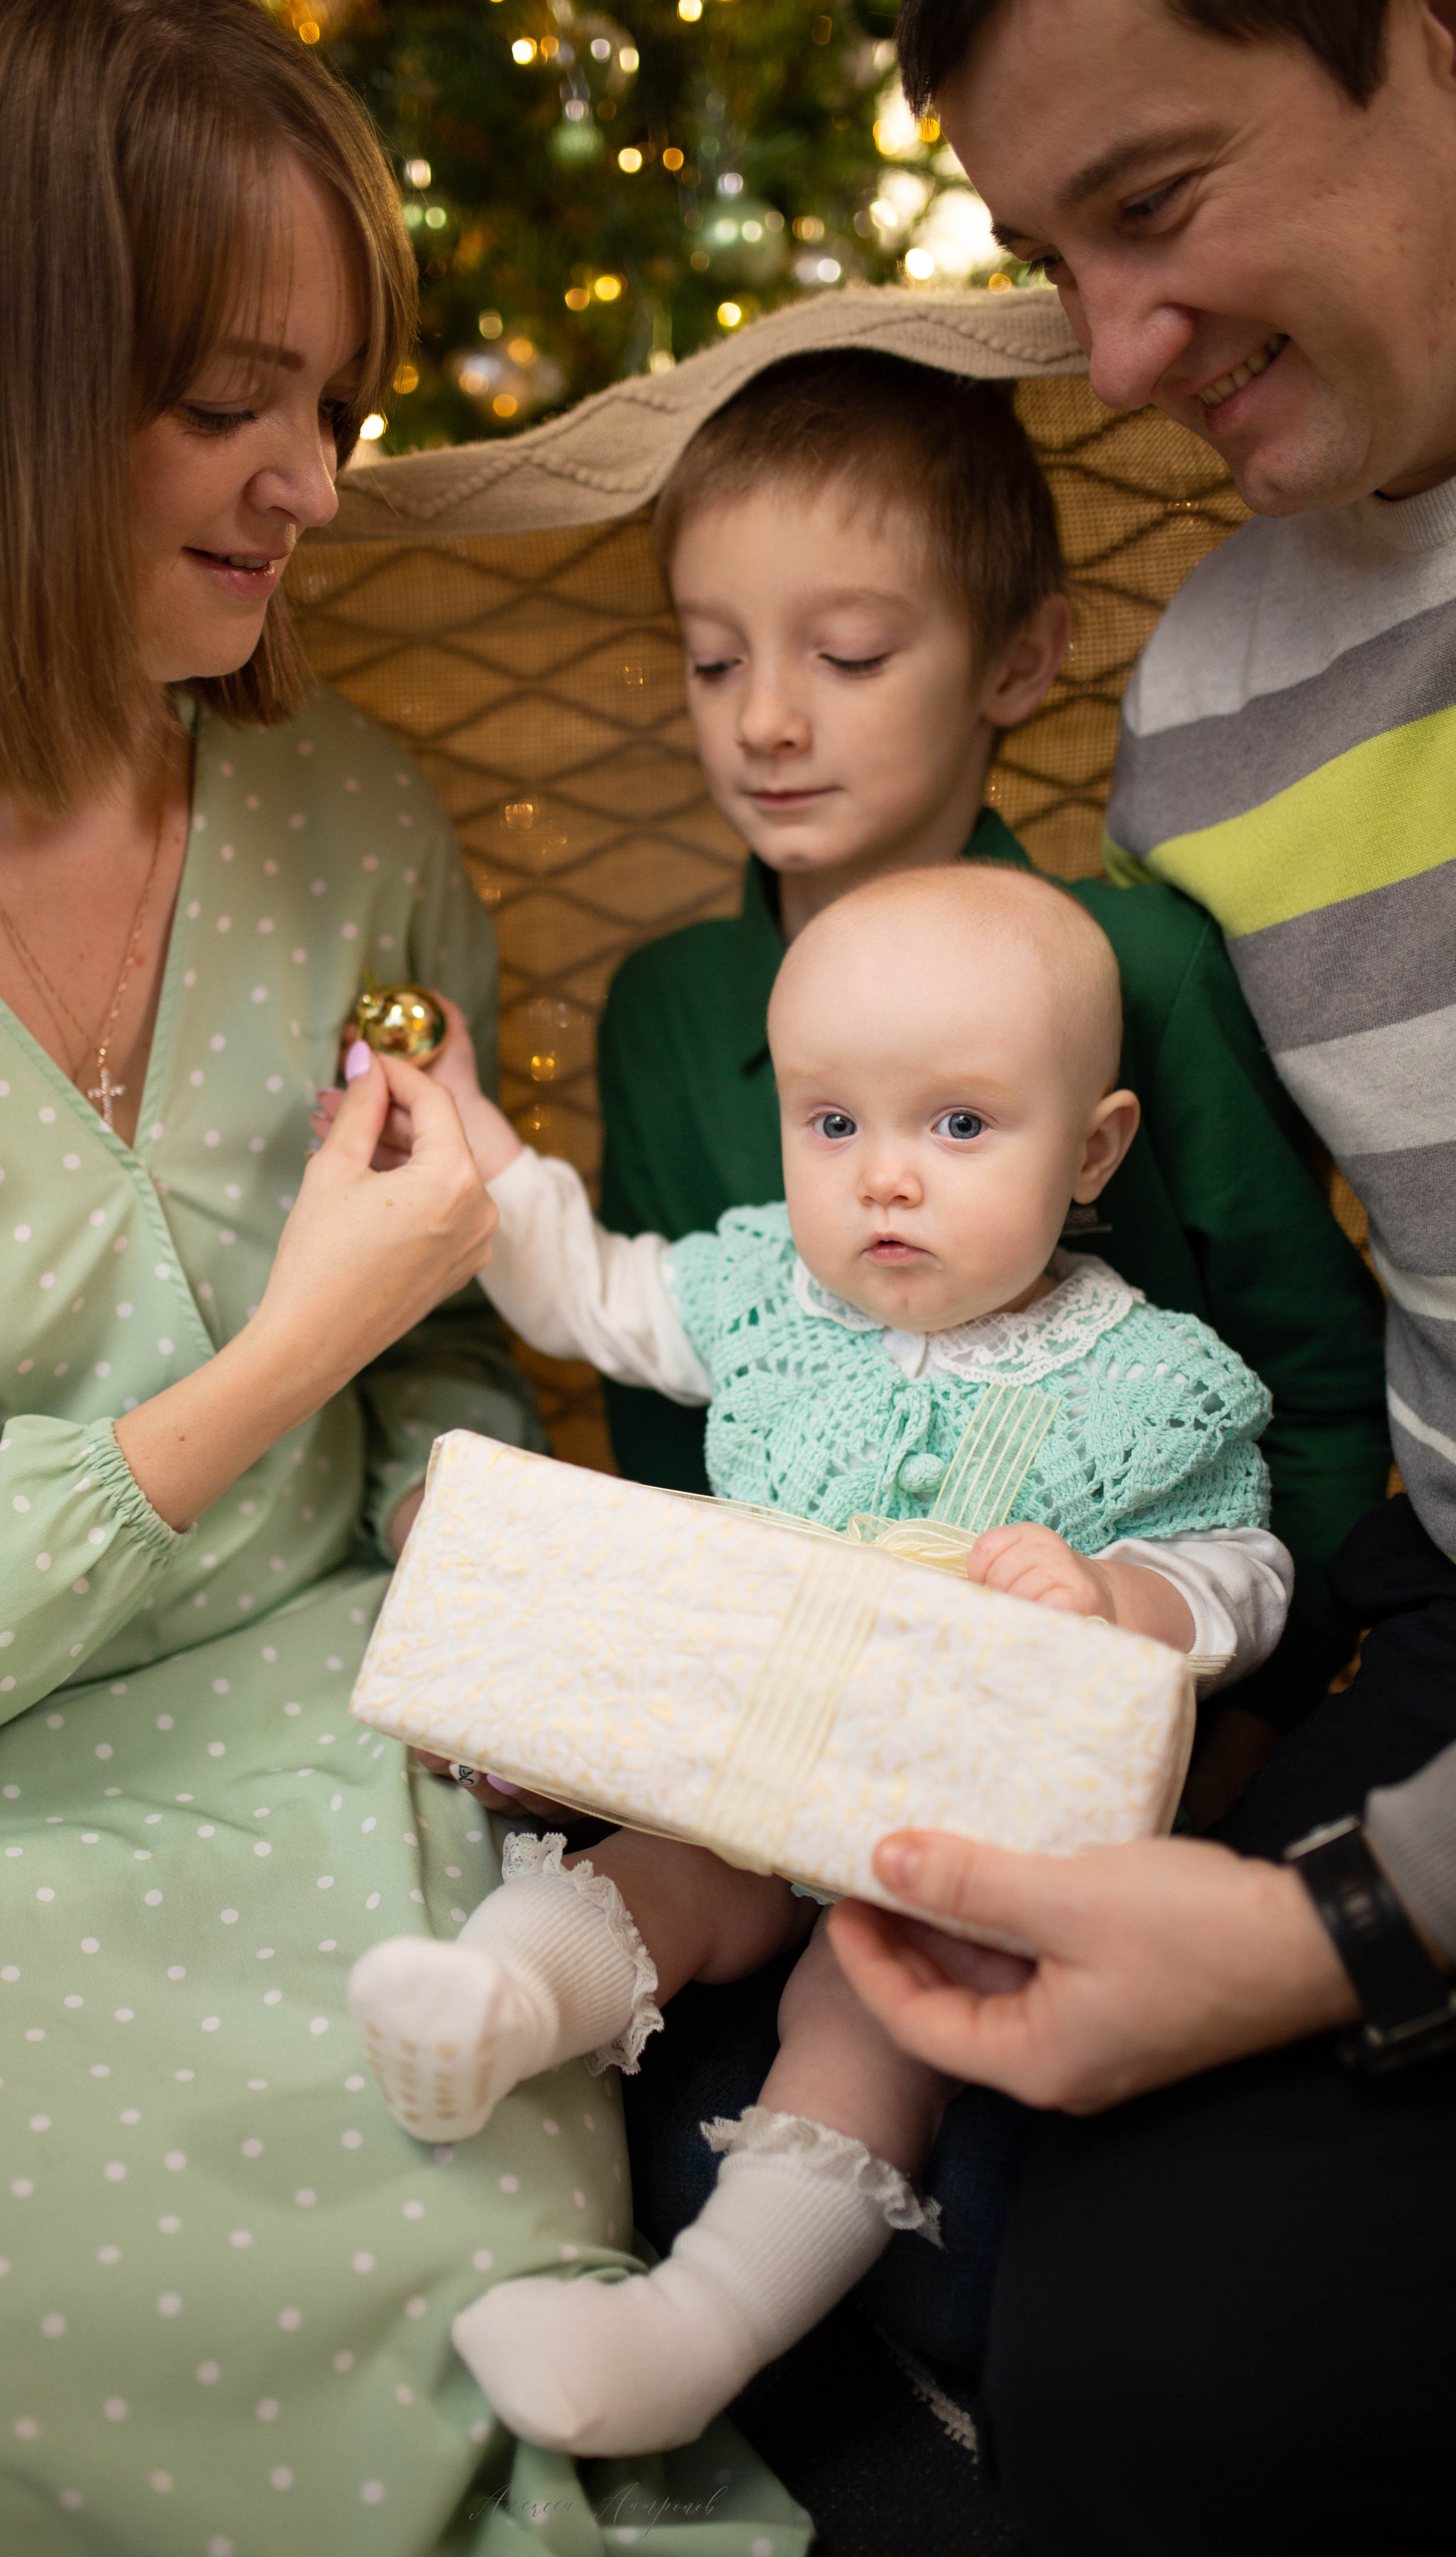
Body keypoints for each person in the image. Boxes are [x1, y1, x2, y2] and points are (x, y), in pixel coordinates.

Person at [0, 7, 807, 2552]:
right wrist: (283, 1357)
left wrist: (529, 1621)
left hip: (338, 1743)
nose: (314, 488)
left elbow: (444, 1362)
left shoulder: (347, 818)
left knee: (473, 2370)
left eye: (333, 401)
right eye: (234, 401)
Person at [585, 341, 1388, 2364]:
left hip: (1108, 1697)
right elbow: (671, 1406)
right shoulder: (677, 1005)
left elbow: (1298, 1369)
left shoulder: (1135, 966)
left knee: (1037, 2183)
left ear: (1018, 663)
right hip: (769, 1720)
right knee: (666, 2102)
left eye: (849, 653)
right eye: (711, 661)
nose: (767, 720)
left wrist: (1237, 1697)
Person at [822, 1, 1456, 2547]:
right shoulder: (1212, 698)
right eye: (1046, 253)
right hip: (1426, 1596)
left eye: (1162, 199)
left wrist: (1334, 1936)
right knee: (1132, 2377)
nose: (1111, 353)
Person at [345, 861, 1293, 2457]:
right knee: (641, 1870)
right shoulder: (778, 1307)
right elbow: (592, 1288)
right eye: (831, 1125)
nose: (884, 1182)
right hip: (744, 1767)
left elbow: (1246, 1570)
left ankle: (685, 2336)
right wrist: (472, 1135)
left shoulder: (1145, 1377)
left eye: (959, 1126)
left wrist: (1121, 1597)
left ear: (1093, 1150)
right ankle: (494, 2007)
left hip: (938, 1843)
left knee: (867, 2021)